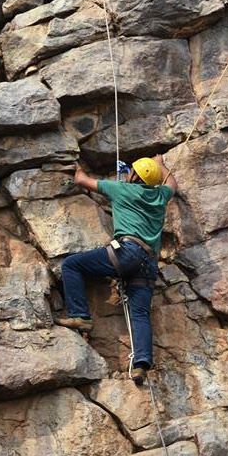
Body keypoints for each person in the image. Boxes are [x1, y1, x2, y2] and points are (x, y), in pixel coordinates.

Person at [55, 154, 178, 386]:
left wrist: (78, 169)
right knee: (140, 314)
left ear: (133, 176)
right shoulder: (160, 196)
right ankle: (141, 364)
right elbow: (172, 184)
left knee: (71, 265)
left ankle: (80, 316)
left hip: (127, 253)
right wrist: (161, 165)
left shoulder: (120, 190)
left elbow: (82, 181)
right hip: (148, 263)